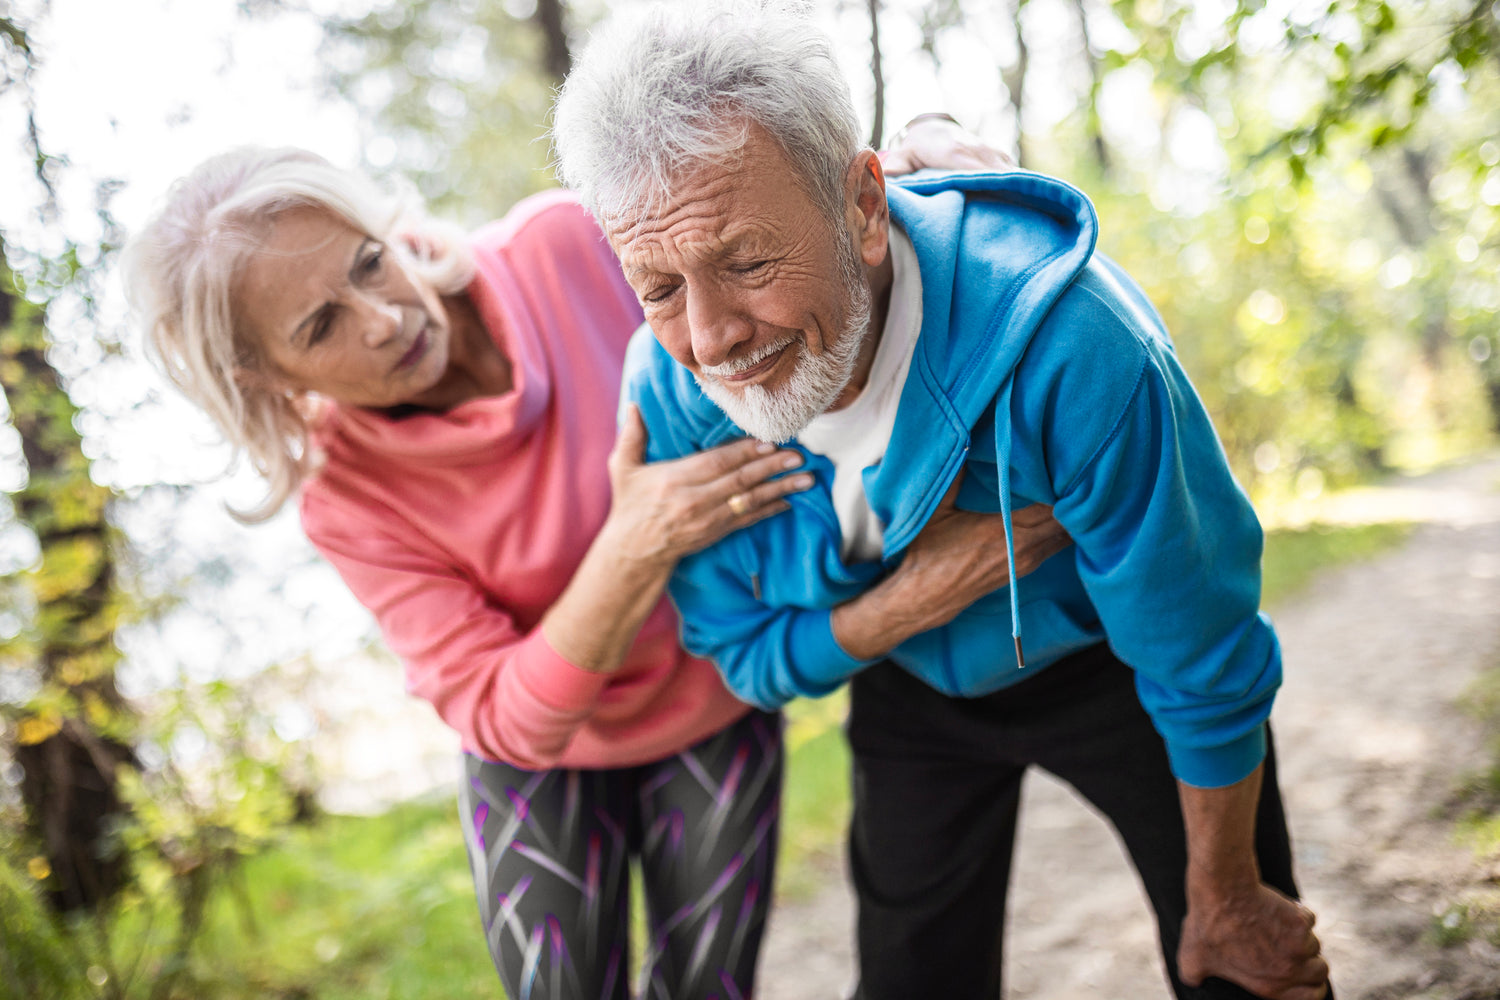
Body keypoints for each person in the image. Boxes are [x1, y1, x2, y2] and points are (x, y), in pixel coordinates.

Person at [120, 129, 1025, 999]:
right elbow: (498, 712)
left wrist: (914, 144)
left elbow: (767, 234)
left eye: (368, 261)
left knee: (706, 987)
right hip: (541, 757)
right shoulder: (346, 496)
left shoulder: (562, 246)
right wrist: (636, 543)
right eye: (322, 325)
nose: (388, 316)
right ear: (266, 378)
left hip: (710, 697)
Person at [551, 3, 1332, 999]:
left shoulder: (1074, 341)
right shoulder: (670, 396)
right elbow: (744, 654)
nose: (710, 338)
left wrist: (1225, 897)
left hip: (1112, 667)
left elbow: (1200, 644)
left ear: (863, 207)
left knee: (1246, 960)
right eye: (657, 287)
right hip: (910, 684)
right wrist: (909, 603)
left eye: (747, 262)